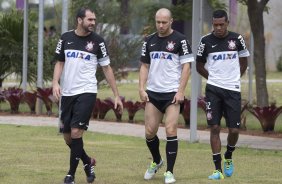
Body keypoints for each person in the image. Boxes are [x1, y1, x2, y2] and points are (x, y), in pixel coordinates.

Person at [52, 7, 123, 184]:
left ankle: (71, 175)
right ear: (79, 20)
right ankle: (87, 162)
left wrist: (116, 95)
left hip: (87, 91)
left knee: (76, 132)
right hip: (67, 93)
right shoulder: (65, 38)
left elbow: (106, 68)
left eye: (94, 20)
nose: (93, 23)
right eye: (90, 19)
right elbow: (60, 62)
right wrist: (55, 83)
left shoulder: (98, 42)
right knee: (68, 137)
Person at [139, 8, 194, 184]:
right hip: (153, 93)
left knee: (170, 129)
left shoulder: (181, 40)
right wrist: (141, 88)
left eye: (164, 22)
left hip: (172, 94)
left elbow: (187, 66)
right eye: (158, 22)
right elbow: (144, 66)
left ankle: (169, 172)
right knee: (149, 132)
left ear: (171, 21)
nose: (161, 25)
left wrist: (180, 91)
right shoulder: (149, 41)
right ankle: (156, 161)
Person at [196, 9, 250, 180]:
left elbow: (244, 61)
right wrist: (213, 79)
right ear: (213, 24)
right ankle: (217, 170)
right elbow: (198, 65)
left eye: (221, 24)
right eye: (215, 25)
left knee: (234, 129)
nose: (218, 28)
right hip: (213, 90)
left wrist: (234, 79)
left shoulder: (237, 39)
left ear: (227, 23)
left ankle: (229, 156)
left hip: (232, 89)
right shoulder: (205, 41)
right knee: (215, 127)